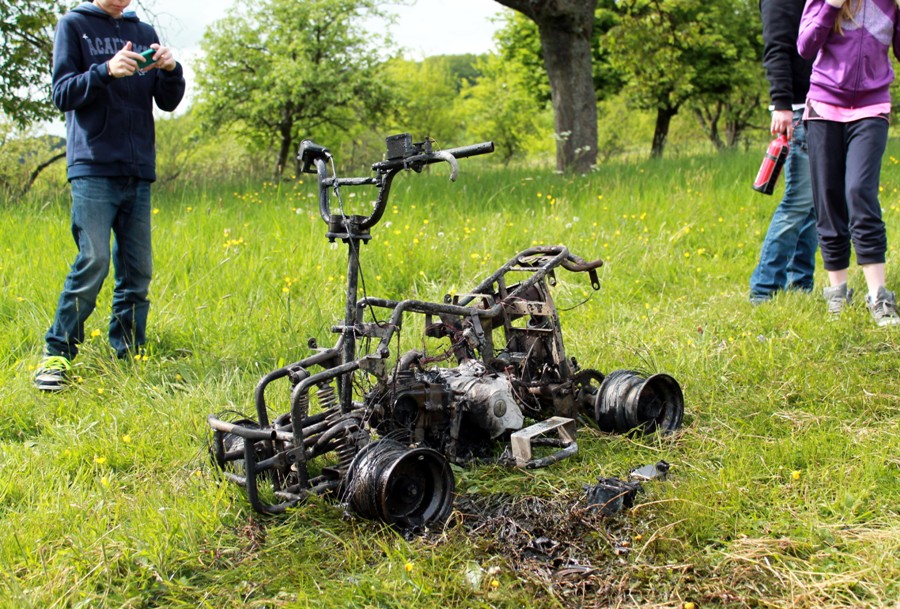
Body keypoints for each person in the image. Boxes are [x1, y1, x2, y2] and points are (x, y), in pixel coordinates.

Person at [34, 0, 186, 391]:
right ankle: (57, 353)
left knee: (137, 271)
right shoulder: (74, 25)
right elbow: (62, 93)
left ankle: (129, 354)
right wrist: (105, 71)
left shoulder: (143, 32)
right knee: (94, 260)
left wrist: (171, 70)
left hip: (138, 168)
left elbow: (167, 100)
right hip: (93, 166)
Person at [798, 0, 900, 326]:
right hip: (824, 106)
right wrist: (831, 5)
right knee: (828, 198)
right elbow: (805, 46)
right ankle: (838, 293)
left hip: (872, 107)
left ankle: (879, 296)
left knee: (859, 191)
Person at [749, 0, 818, 304]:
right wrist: (782, 103)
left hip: (822, 106)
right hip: (799, 110)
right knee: (798, 202)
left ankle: (800, 284)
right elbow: (776, 48)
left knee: (813, 207)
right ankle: (764, 290)